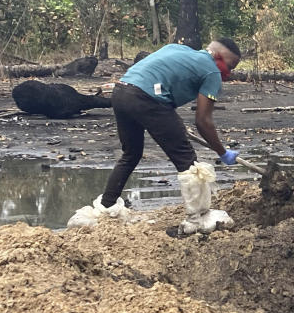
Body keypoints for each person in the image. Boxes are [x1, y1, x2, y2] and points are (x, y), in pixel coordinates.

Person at [74, 38, 243, 234]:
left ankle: (105, 207)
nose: (227, 74)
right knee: (187, 161)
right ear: (217, 56)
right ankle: (198, 219)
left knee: (131, 154)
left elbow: (160, 78)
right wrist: (222, 152)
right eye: (229, 66)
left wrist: (170, 123)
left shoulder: (177, 48)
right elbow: (203, 121)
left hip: (121, 92)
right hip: (148, 100)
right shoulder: (212, 71)